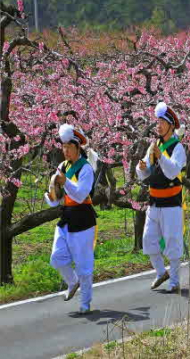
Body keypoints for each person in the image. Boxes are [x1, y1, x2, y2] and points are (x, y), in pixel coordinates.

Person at [45, 124, 97, 314]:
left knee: (83, 263)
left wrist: (65, 181)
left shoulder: (86, 168)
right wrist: (51, 195)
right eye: (63, 147)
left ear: (77, 148)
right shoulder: (62, 166)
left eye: (69, 147)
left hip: (83, 218)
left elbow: (81, 195)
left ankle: (85, 303)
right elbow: (57, 198)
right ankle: (72, 282)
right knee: (57, 257)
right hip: (66, 215)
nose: (65, 151)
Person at [137, 102, 186, 293]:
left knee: (173, 241)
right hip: (154, 201)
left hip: (171, 202)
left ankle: (174, 280)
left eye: (162, 122)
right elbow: (146, 172)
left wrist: (161, 156)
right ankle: (160, 272)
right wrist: (142, 168)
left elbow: (172, 171)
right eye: (157, 122)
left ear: (171, 126)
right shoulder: (154, 145)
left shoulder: (178, 148)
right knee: (148, 239)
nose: (158, 126)